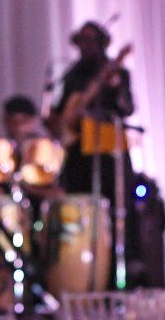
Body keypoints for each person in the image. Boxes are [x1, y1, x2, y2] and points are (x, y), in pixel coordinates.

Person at [50, 20, 134, 197]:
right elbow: (62, 109)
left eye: (89, 40)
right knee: (77, 199)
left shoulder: (117, 73)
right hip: (78, 151)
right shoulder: (72, 75)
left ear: (100, 43)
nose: (84, 46)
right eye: (81, 41)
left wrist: (116, 89)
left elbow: (127, 108)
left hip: (107, 149)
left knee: (113, 197)